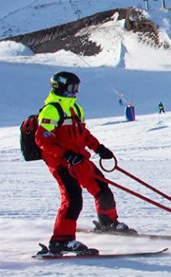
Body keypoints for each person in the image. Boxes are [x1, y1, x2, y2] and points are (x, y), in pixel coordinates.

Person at [35, 71, 135, 255]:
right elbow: (42, 140)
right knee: (73, 198)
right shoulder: (51, 110)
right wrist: (66, 155)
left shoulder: (76, 109)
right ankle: (61, 241)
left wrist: (99, 148)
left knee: (102, 189)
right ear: (61, 87)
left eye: (77, 88)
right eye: (72, 88)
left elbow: (84, 134)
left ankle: (107, 222)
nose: (75, 92)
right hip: (62, 163)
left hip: (80, 160)